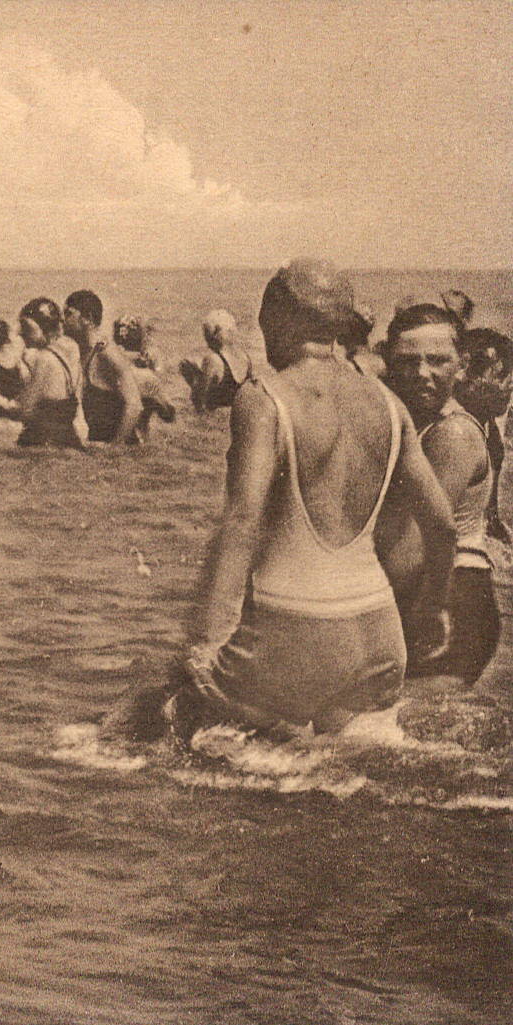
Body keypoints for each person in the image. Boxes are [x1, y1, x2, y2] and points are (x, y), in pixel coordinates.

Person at [178, 260, 456, 736]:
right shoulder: (389, 405)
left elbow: (242, 521)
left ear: (278, 318)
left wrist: (206, 641)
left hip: (290, 630)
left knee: (173, 713)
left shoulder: (264, 398)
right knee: (349, 756)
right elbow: (443, 525)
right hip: (378, 637)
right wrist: (433, 608)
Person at [376, 306, 500, 687]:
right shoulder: (415, 426)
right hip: (435, 597)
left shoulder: (453, 435)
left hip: (451, 604)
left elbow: (411, 552)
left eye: (437, 360)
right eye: (407, 361)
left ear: (462, 366)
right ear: (388, 363)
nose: (421, 373)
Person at [69, 290, 149, 445]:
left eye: (69, 314)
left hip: (117, 448)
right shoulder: (82, 350)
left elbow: (134, 405)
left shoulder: (106, 353)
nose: (62, 320)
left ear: (87, 319)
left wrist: (115, 448)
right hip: (95, 446)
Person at [457, 327, 513, 543]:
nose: (509, 384)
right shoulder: (458, 430)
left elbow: (491, 516)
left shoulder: (490, 429)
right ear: (471, 376)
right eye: (501, 375)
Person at [15, 297, 84, 449]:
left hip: (44, 442)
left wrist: (2, 405)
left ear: (44, 328)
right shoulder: (69, 350)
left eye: (26, 328)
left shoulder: (44, 359)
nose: (20, 333)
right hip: (68, 439)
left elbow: (26, 409)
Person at [181, 309, 251, 413]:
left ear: (214, 335)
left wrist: (192, 379)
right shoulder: (245, 357)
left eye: (206, 332)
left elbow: (198, 402)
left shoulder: (213, 360)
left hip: (215, 419)